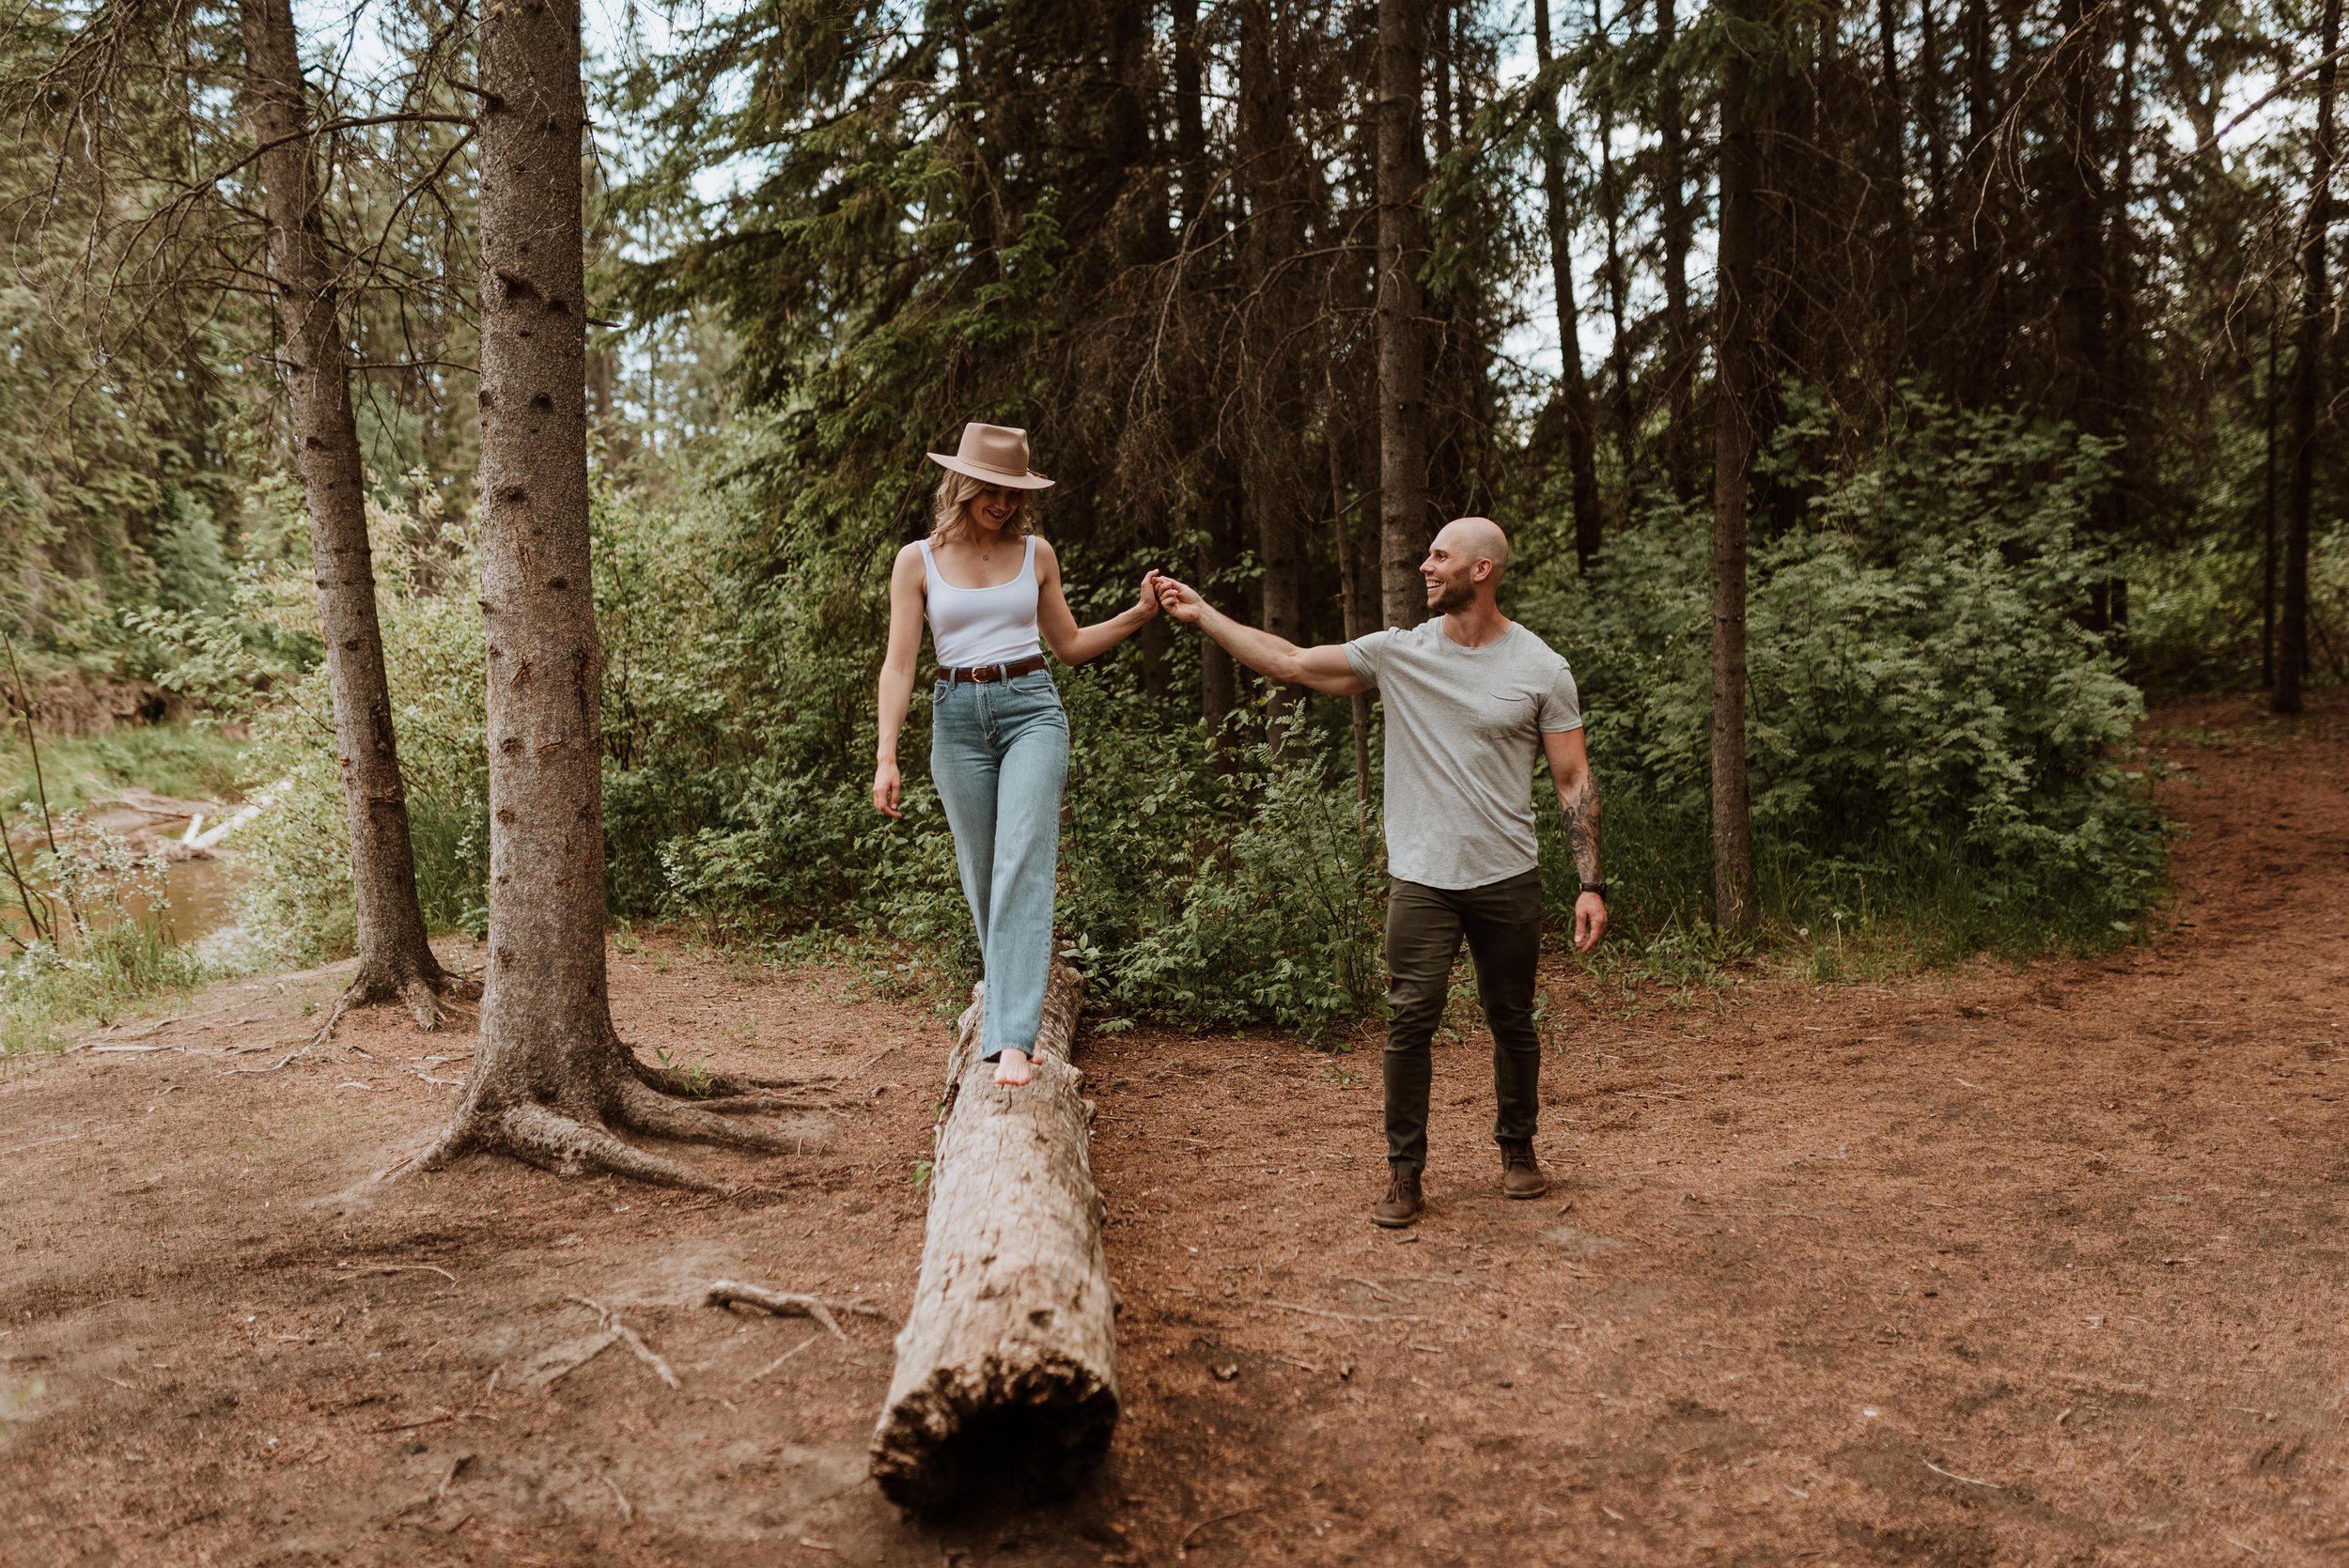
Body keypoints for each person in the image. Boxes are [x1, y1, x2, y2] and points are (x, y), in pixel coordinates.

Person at [1154, 517, 1606, 1226]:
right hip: (1423, 877)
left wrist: (1590, 883)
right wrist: (1204, 612)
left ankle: (1518, 1149)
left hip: (1507, 874)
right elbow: (1291, 663)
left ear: (1481, 570)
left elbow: (1573, 777)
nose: (1425, 566)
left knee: (1512, 1017)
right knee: (1410, 1018)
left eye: (1439, 556)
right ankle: (1405, 1173)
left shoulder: (1541, 667)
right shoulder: (1400, 654)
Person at [873, 422, 1163, 1086]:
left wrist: (1139, 614)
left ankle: (1012, 1040)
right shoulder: (916, 560)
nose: (1002, 503)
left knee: (1023, 858)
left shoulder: (1037, 554)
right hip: (956, 720)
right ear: (964, 483)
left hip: (1032, 709)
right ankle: (1008, 1000)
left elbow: (1070, 644)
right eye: (991, 490)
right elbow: (898, 666)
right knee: (981, 873)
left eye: (1013, 491)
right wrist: (887, 755)